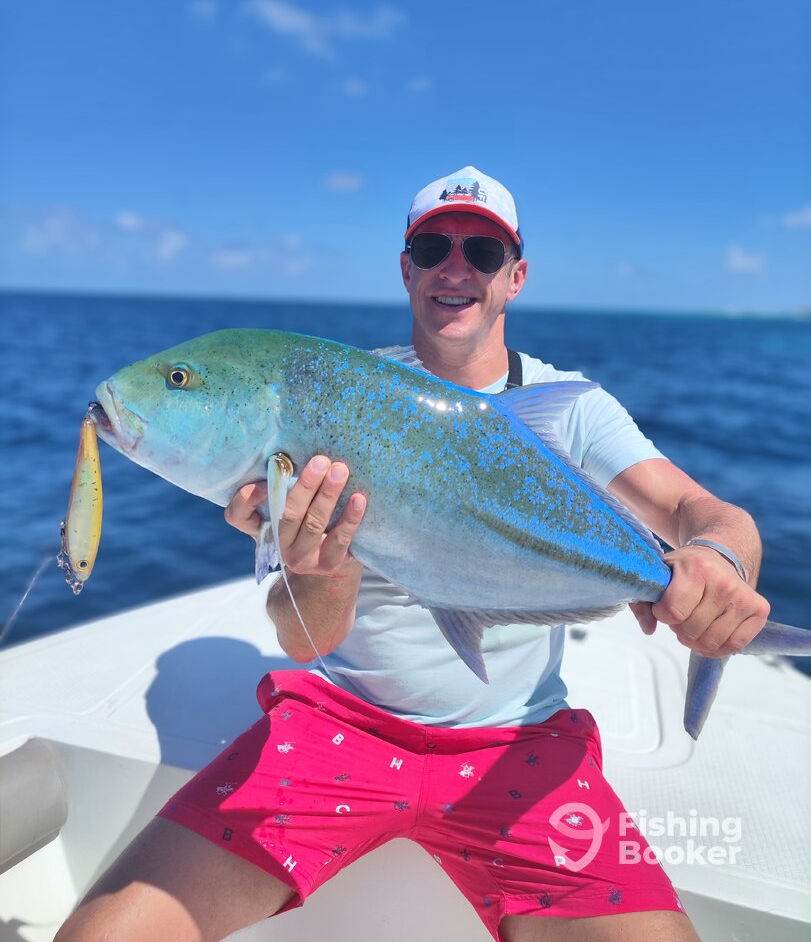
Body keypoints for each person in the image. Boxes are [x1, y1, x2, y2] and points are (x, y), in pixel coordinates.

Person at [57, 166, 769, 942]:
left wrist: (717, 562)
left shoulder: (571, 408)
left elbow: (706, 513)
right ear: (406, 270)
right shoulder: (339, 395)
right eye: (433, 248)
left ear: (515, 277)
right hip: (340, 725)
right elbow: (306, 640)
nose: (455, 268)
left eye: (483, 253)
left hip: (520, 741)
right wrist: (321, 570)